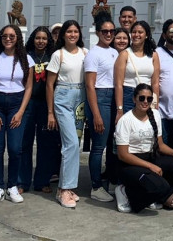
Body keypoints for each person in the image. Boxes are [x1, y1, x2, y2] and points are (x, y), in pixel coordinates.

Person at [114, 83, 173, 213]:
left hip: (150, 156)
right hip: (130, 162)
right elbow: (123, 155)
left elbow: (160, 146)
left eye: (149, 99)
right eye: (142, 98)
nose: (145, 102)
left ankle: (152, 196)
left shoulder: (155, 114)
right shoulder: (125, 120)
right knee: (161, 187)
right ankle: (126, 192)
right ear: (134, 99)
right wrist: (150, 166)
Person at [0, 25, 35, 205]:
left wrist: (20, 112)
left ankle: (12, 185)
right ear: (0, 38)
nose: (8, 39)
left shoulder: (26, 59)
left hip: (17, 105)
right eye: (5, 36)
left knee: (14, 148)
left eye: (12, 36)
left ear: (18, 38)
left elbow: (28, 88)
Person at [46, 20, 88, 208]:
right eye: (69, 31)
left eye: (75, 31)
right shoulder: (58, 54)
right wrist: (50, 112)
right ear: (63, 34)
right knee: (70, 143)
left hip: (81, 97)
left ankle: (68, 187)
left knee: (74, 144)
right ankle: (64, 189)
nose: (72, 34)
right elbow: (49, 84)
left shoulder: (85, 53)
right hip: (63, 97)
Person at [84, 16, 120, 202]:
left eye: (111, 31)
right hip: (100, 97)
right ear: (98, 32)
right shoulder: (94, 54)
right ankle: (96, 186)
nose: (108, 34)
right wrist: (96, 114)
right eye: (105, 31)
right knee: (98, 146)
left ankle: (109, 179)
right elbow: (90, 85)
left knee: (111, 144)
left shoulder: (114, 52)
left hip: (114, 97)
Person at [19, 26, 59, 193]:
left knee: (46, 143)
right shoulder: (25, 56)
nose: (40, 41)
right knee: (24, 143)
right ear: (32, 39)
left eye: (44, 38)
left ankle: (42, 181)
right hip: (28, 103)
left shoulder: (53, 56)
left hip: (46, 104)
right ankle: (22, 181)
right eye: (37, 38)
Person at [114, 21, 160, 114]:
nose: (136, 35)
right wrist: (119, 109)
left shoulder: (153, 55)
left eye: (140, 32)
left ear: (146, 35)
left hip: (147, 96)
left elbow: (155, 83)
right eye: (134, 32)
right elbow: (118, 84)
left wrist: (156, 103)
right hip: (129, 94)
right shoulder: (125, 54)